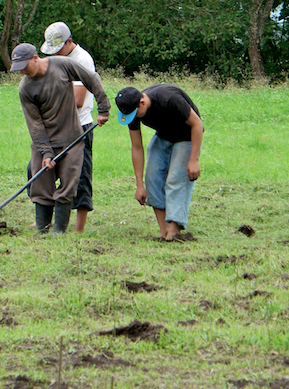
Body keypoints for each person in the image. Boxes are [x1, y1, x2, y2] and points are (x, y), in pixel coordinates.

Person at [10, 42, 110, 234]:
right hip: (44, 141)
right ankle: (42, 229)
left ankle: (59, 231)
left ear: (35, 58)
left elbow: (91, 78)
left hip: (71, 139)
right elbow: (35, 124)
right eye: (19, 69)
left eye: (24, 66)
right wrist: (46, 152)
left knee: (68, 184)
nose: (22, 72)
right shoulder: (26, 88)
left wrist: (103, 107)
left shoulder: (62, 65)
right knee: (41, 184)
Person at [115, 85, 203, 241]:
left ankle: (174, 231)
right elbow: (136, 147)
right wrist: (140, 185)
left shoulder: (169, 99)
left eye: (135, 114)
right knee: (152, 178)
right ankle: (164, 232)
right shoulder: (131, 110)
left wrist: (194, 159)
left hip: (187, 135)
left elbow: (197, 124)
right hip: (163, 135)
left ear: (142, 102)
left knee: (176, 179)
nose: (134, 118)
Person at [40, 21, 99, 232]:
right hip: (55, 126)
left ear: (70, 42)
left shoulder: (82, 60)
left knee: (80, 175)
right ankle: (46, 219)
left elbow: (78, 100)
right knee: (40, 170)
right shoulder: (54, 60)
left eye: (59, 49)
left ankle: (78, 228)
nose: (55, 54)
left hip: (78, 127)